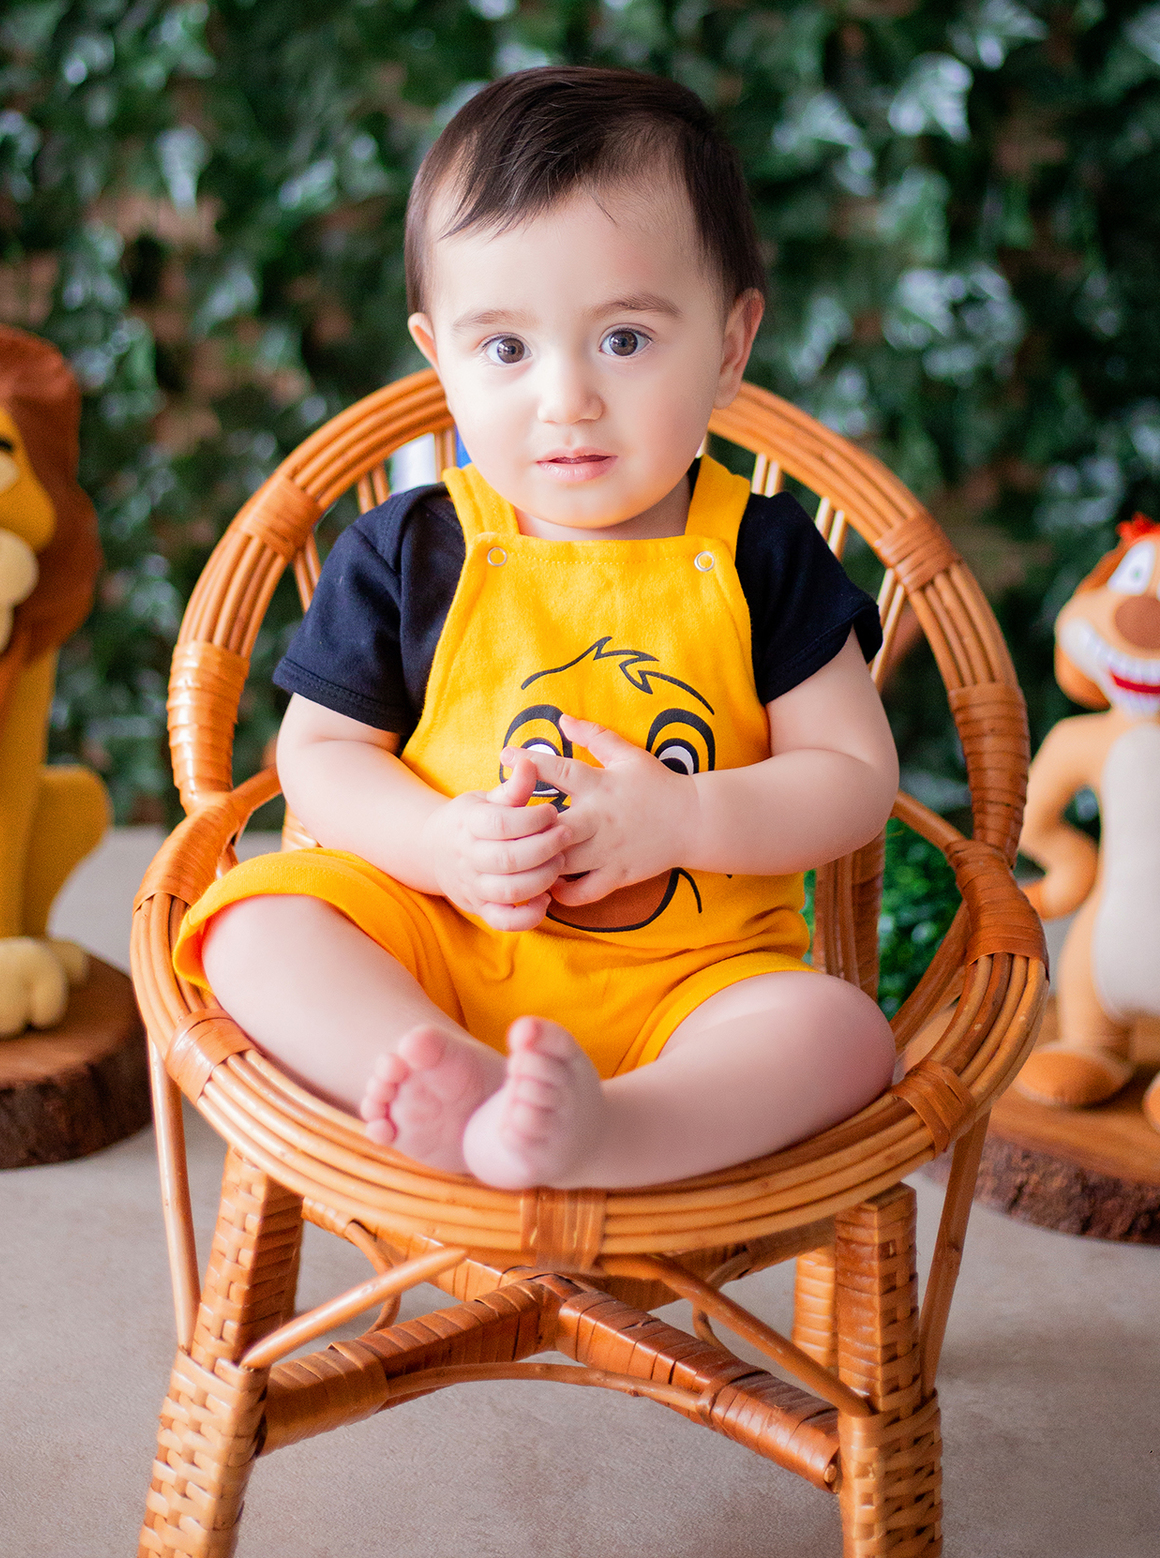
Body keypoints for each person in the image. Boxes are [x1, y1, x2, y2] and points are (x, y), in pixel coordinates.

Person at [174, 67, 898, 1192]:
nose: (566, 399)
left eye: (622, 340)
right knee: (251, 934)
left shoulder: (765, 553)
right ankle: (455, 1086)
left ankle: (614, 1132)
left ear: (730, 341)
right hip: (428, 945)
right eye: (506, 349)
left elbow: (853, 775)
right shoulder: (409, 550)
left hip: (688, 983)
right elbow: (317, 757)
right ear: (439, 355)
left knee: (840, 1035)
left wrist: (687, 813)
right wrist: (435, 846)